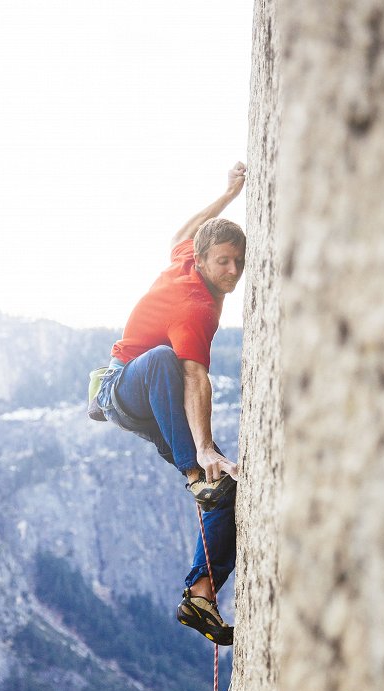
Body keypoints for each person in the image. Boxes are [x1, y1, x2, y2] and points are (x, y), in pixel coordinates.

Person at [94, 163, 246, 644]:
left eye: (239, 261)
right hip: (124, 386)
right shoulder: (194, 306)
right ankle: (196, 473)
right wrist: (202, 451)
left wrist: (227, 196)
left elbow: (185, 231)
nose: (233, 271)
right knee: (164, 360)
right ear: (202, 261)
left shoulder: (188, 253)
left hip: (160, 407)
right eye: (223, 261)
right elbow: (193, 375)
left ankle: (201, 594)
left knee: (228, 491)